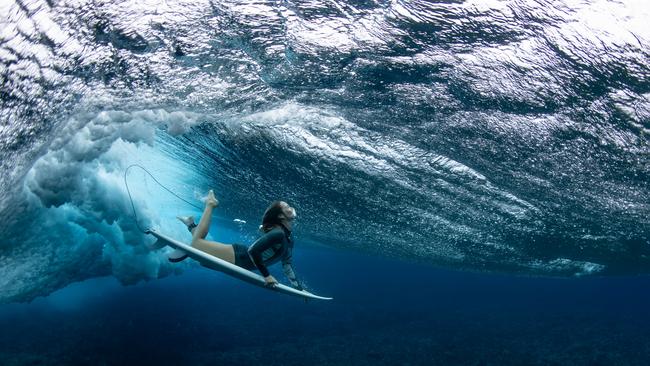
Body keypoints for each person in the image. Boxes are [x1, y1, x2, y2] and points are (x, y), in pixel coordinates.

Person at [177, 190, 303, 290]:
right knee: (196, 244)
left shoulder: (289, 238)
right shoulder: (279, 234)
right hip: (239, 256)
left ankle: (191, 224)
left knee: (201, 256)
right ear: (281, 216)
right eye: (287, 206)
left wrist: (298, 288)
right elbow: (253, 251)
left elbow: (287, 264)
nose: (290, 207)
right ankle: (210, 204)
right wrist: (267, 276)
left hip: (241, 259)